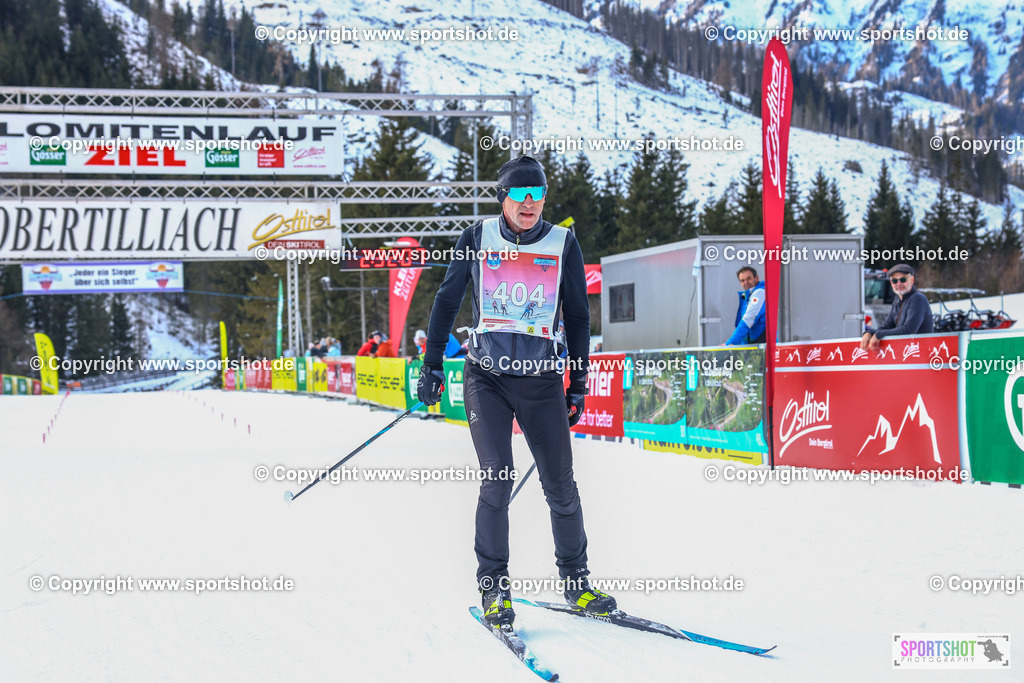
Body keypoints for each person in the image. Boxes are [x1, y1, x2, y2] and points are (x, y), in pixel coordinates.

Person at [416, 155, 615, 628]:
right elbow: (446, 300)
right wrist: (431, 365)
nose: (529, 204)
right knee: (498, 479)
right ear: (503, 199)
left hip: (542, 380)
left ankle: (576, 583)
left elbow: (579, 316)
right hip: (487, 377)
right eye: (519, 196)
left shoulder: (562, 242)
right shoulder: (476, 237)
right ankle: (495, 589)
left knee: (561, 486)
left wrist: (579, 380)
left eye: (538, 195)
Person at [860, 264, 933, 351]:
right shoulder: (897, 301)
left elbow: (908, 330)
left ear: (912, 279)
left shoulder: (918, 298)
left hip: (920, 354)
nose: (899, 284)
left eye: (903, 279)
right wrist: (870, 333)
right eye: (895, 281)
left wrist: (878, 334)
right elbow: (887, 325)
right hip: (906, 353)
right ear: (891, 283)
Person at [725, 266, 767, 345]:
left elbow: (748, 320)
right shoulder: (748, 296)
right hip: (754, 346)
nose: (746, 282)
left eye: (749, 278)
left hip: (761, 347)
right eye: (742, 280)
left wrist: (731, 343)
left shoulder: (759, 293)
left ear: (756, 278)